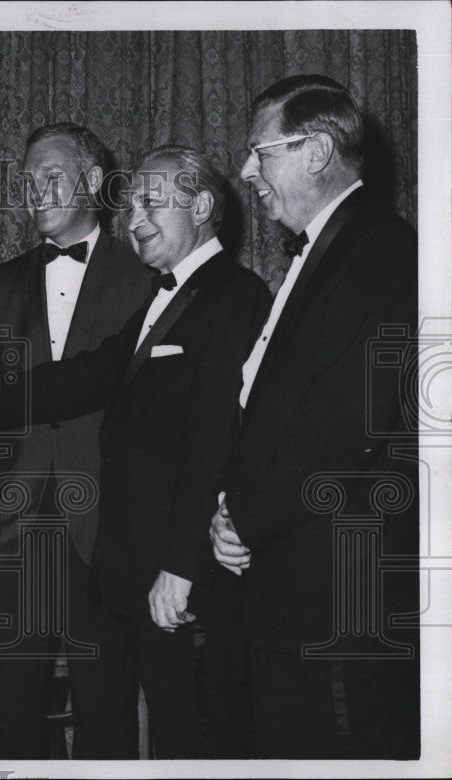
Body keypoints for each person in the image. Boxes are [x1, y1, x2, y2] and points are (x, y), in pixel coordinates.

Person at [0, 145, 270, 757]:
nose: (135, 219)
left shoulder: (233, 296)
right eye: (133, 205)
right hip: (122, 560)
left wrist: (182, 567)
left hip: (171, 566)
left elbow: (216, 442)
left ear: (205, 206)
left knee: (181, 735)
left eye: (152, 203)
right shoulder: (170, 295)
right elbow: (81, 376)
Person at [209, 74, 419, 758]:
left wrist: (245, 513)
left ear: (318, 151)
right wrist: (231, 506)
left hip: (337, 585)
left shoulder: (381, 250)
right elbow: (271, 411)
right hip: (287, 566)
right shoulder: (332, 249)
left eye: (259, 152)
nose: (246, 171)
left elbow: (344, 420)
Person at [0, 122, 154, 758]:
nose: (36, 191)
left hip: (104, 531)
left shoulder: (145, 276)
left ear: (94, 182)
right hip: (11, 533)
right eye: (27, 181)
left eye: (52, 176)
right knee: (11, 715)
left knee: (106, 710)